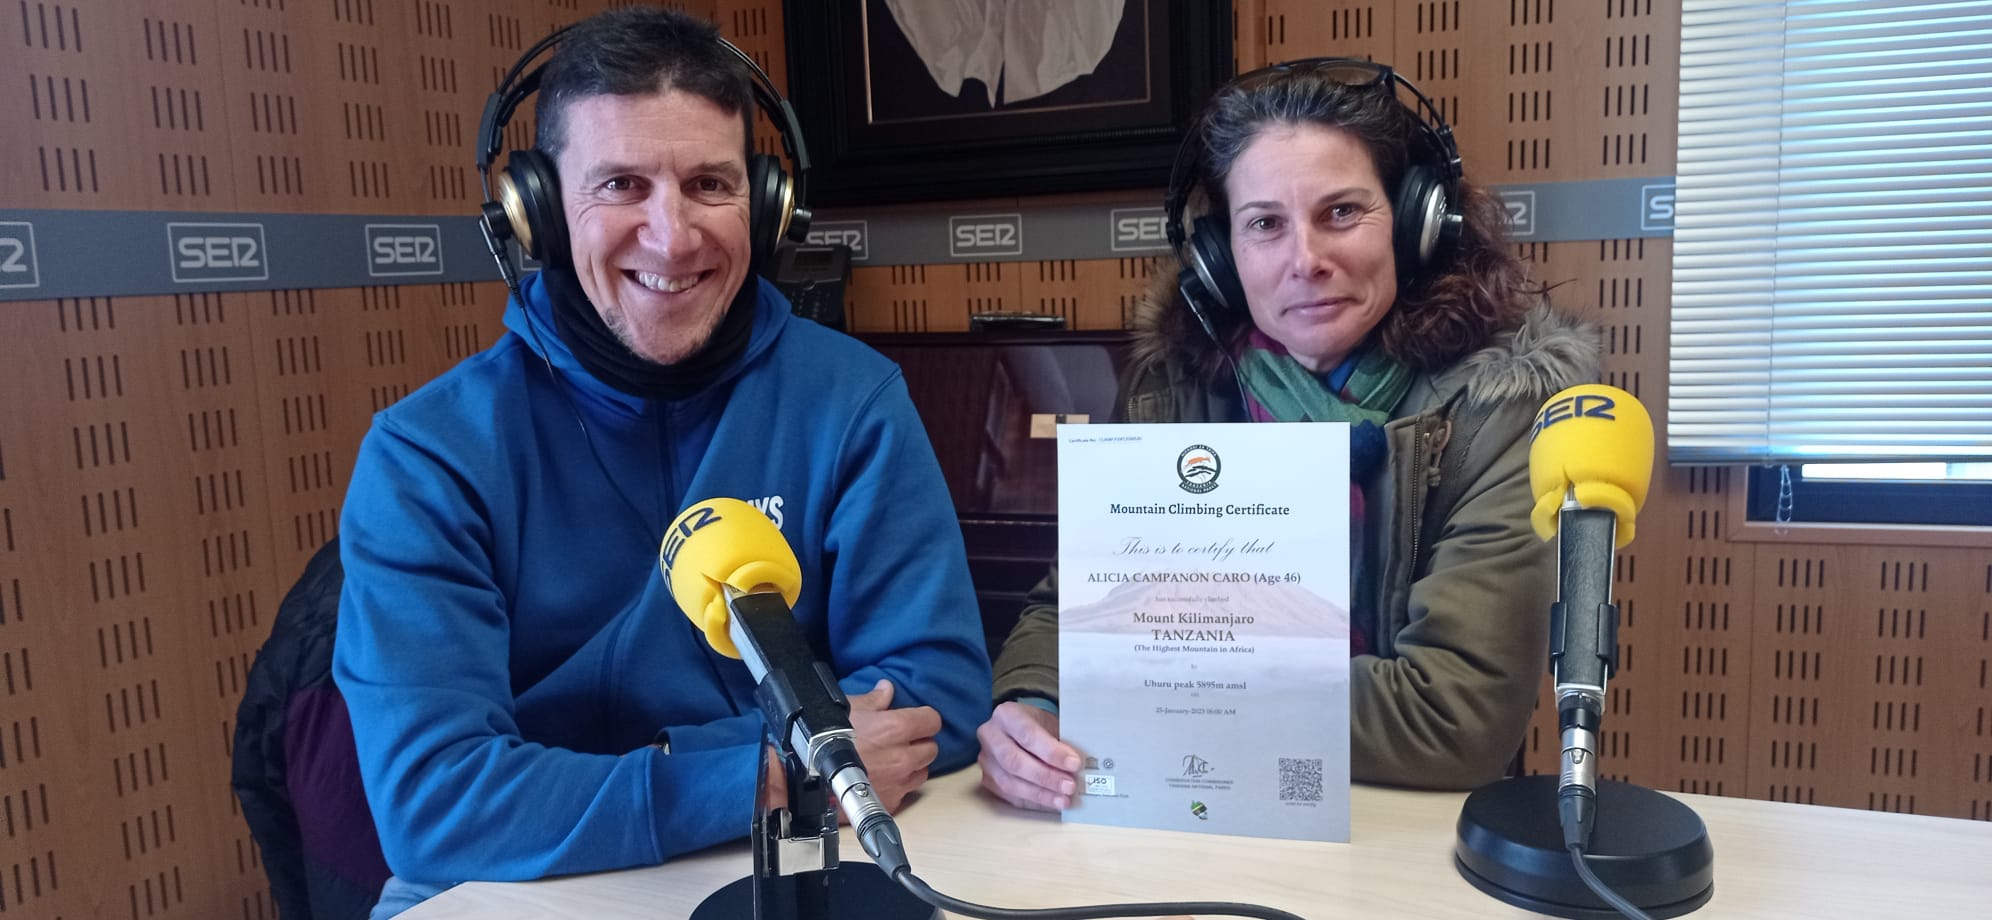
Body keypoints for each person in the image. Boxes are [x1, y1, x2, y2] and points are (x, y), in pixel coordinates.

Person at [332, 8, 990, 916]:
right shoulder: (428, 455)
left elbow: (932, 699)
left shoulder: (852, 400)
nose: (672, 236)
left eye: (709, 184)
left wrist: (583, 781)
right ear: (540, 212)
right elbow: (438, 804)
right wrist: (750, 773)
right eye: (622, 185)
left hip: (790, 858)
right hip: (514, 881)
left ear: (765, 205)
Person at [978, 58, 1600, 808]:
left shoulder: (1503, 406)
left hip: (1405, 827)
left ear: (1414, 221)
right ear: (1219, 257)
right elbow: (1073, 614)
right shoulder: (1173, 389)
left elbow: (1451, 717)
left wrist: (1149, 674)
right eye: (1265, 224)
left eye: (1341, 212)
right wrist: (1033, 709)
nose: (1306, 261)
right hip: (1184, 802)